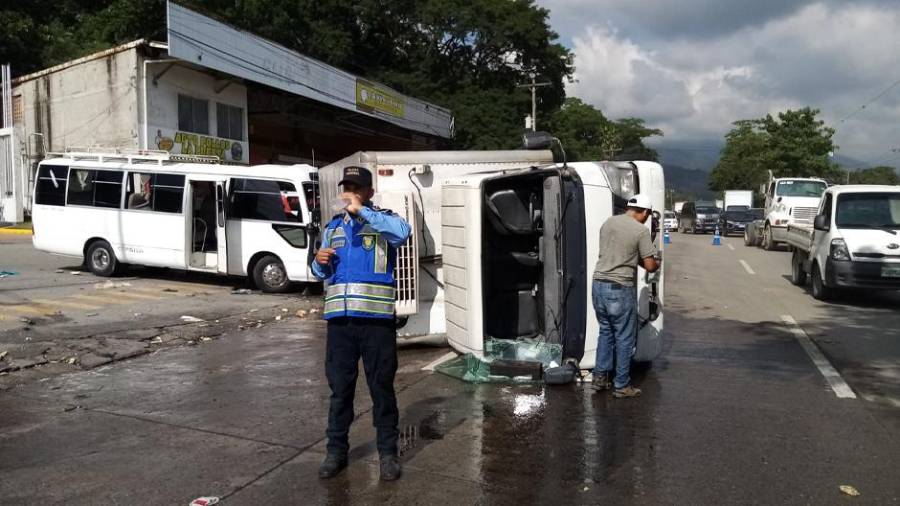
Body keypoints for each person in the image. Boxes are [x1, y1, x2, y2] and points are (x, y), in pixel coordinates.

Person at [311, 166, 412, 481]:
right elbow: (322, 273)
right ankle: (335, 452)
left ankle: (388, 454)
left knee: (381, 388)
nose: (350, 192)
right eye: (347, 187)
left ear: (369, 192)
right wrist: (318, 262)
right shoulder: (333, 227)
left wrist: (363, 212)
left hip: (376, 324)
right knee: (340, 391)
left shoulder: (384, 221)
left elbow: (403, 233)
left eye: (357, 188)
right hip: (340, 325)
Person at [591, 194, 660, 398]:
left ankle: (600, 378)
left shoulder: (608, 222)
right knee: (624, 338)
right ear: (645, 212)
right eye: (648, 215)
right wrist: (656, 262)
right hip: (619, 288)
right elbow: (650, 265)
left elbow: (620, 254)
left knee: (606, 332)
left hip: (598, 284)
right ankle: (621, 385)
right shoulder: (640, 230)